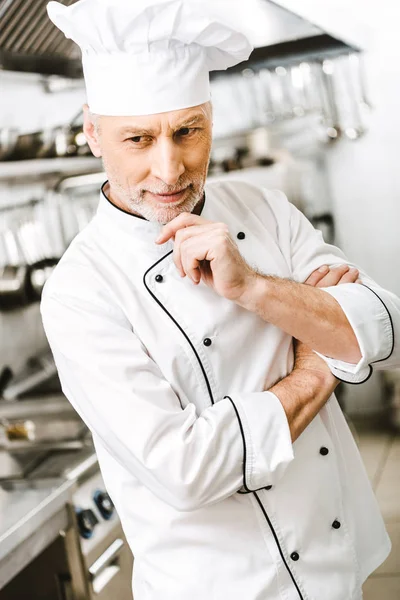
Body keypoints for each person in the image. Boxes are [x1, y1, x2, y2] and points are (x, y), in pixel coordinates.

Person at [41, 1, 399, 599]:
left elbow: (382, 328)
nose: (169, 168)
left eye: (188, 131)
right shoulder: (82, 290)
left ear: (211, 118)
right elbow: (186, 470)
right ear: (93, 133)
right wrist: (316, 364)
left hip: (337, 567)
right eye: (138, 139)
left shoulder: (263, 211)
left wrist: (254, 289)